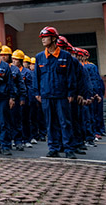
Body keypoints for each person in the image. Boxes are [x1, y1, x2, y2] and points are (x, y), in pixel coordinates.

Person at [34, 27, 77, 159]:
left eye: (45, 37)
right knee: (50, 123)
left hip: (62, 95)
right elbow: (37, 77)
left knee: (65, 123)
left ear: (53, 39)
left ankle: (69, 149)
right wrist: (37, 93)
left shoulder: (65, 56)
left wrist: (71, 93)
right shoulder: (40, 57)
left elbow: (71, 76)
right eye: (42, 38)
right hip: (46, 96)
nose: (43, 40)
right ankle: (53, 148)